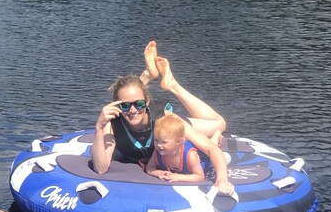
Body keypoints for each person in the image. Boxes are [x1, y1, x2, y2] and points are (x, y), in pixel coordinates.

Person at [90, 41, 234, 194]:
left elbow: (212, 149)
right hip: (136, 106)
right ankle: (147, 75)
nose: (132, 110)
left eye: (139, 104)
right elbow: (100, 168)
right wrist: (99, 128)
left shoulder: (164, 120)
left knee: (219, 124)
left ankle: (172, 84)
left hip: (171, 124)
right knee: (131, 98)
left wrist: (222, 180)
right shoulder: (113, 123)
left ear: (146, 102)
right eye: (124, 106)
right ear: (117, 105)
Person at [146, 114, 206, 184]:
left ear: (178, 142)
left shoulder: (189, 155)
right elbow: (149, 167)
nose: (158, 145)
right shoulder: (158, 152)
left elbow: (200, 176)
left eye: (164, 142)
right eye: (156, 140)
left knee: (207, 150)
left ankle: (215, 136)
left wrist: (178, 177)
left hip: (202, 158)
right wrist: (158, 173)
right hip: (181, 145)